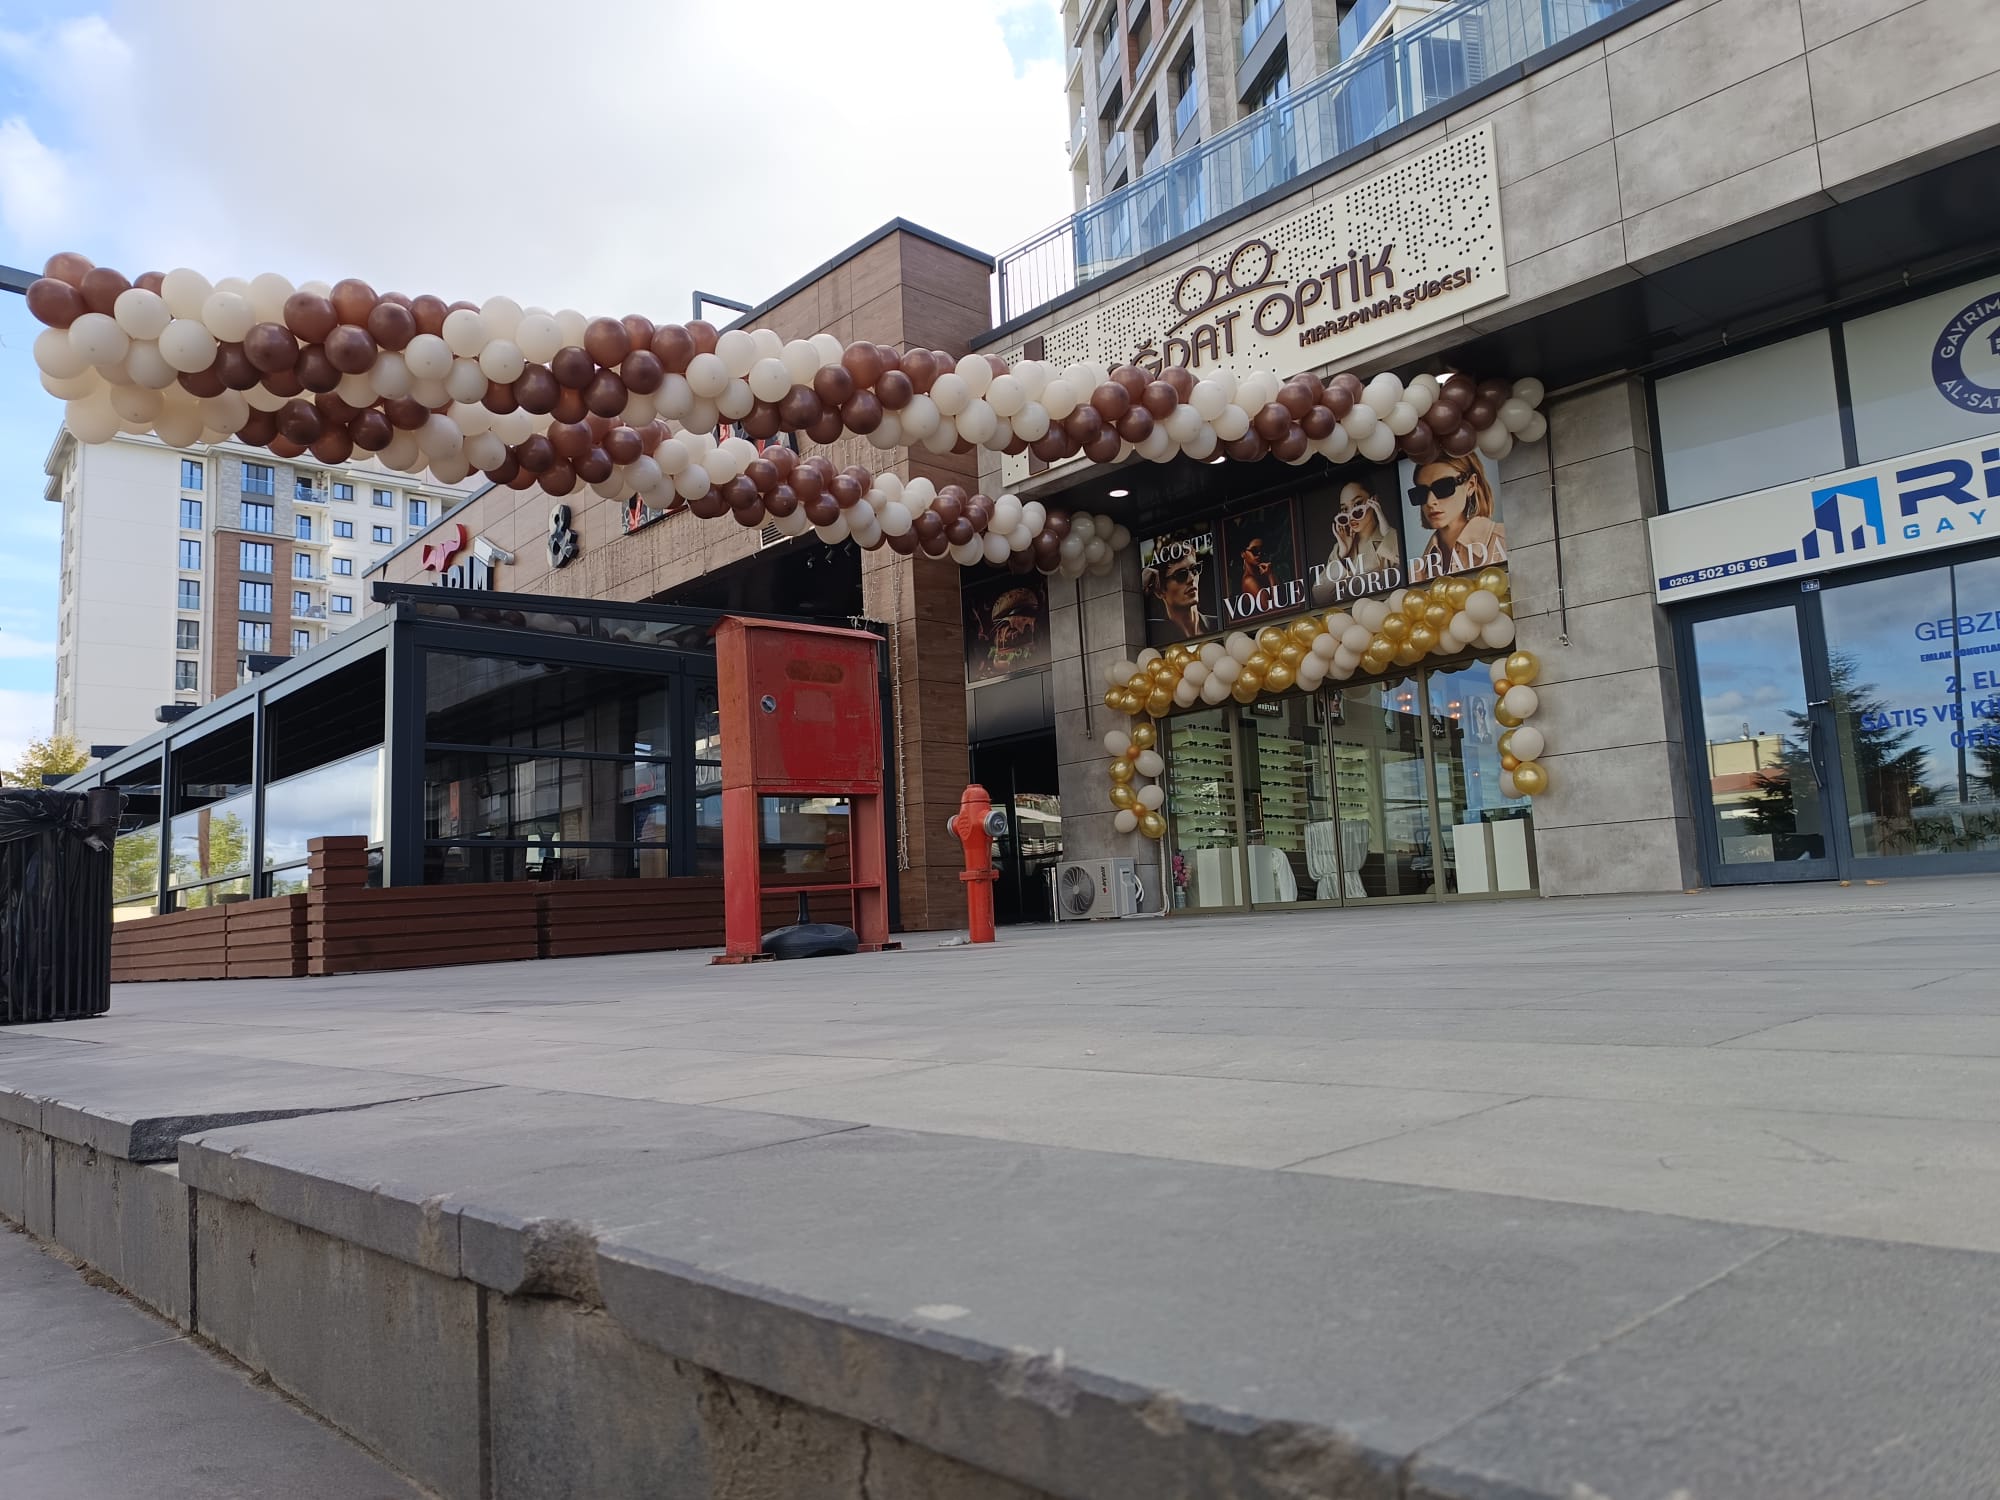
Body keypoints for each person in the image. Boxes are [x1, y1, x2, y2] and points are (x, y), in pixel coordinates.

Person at [1408, 452, 1507, 581]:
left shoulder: (1504, 539)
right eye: (1421, 493)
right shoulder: (1415, 572)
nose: (1430, 502)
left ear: (1471, 485)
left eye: (1443, 487)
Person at [1313, 480, 1400, 602]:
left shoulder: (1390, 538)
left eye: (1357, 504)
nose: (1351, 515)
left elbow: (1412, 573)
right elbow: (1319, 595)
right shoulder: (1339, 549)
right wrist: (1342, 554)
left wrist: (1387, 532)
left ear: (1374, 500)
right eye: (1345, 509)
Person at [1142, 549, 1214, 641]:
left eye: (1195, 569)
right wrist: (1141, 586)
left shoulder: (1217, 623)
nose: (1191, 578)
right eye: (1181, 575)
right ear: (1160, 591)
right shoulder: (1154, 632)